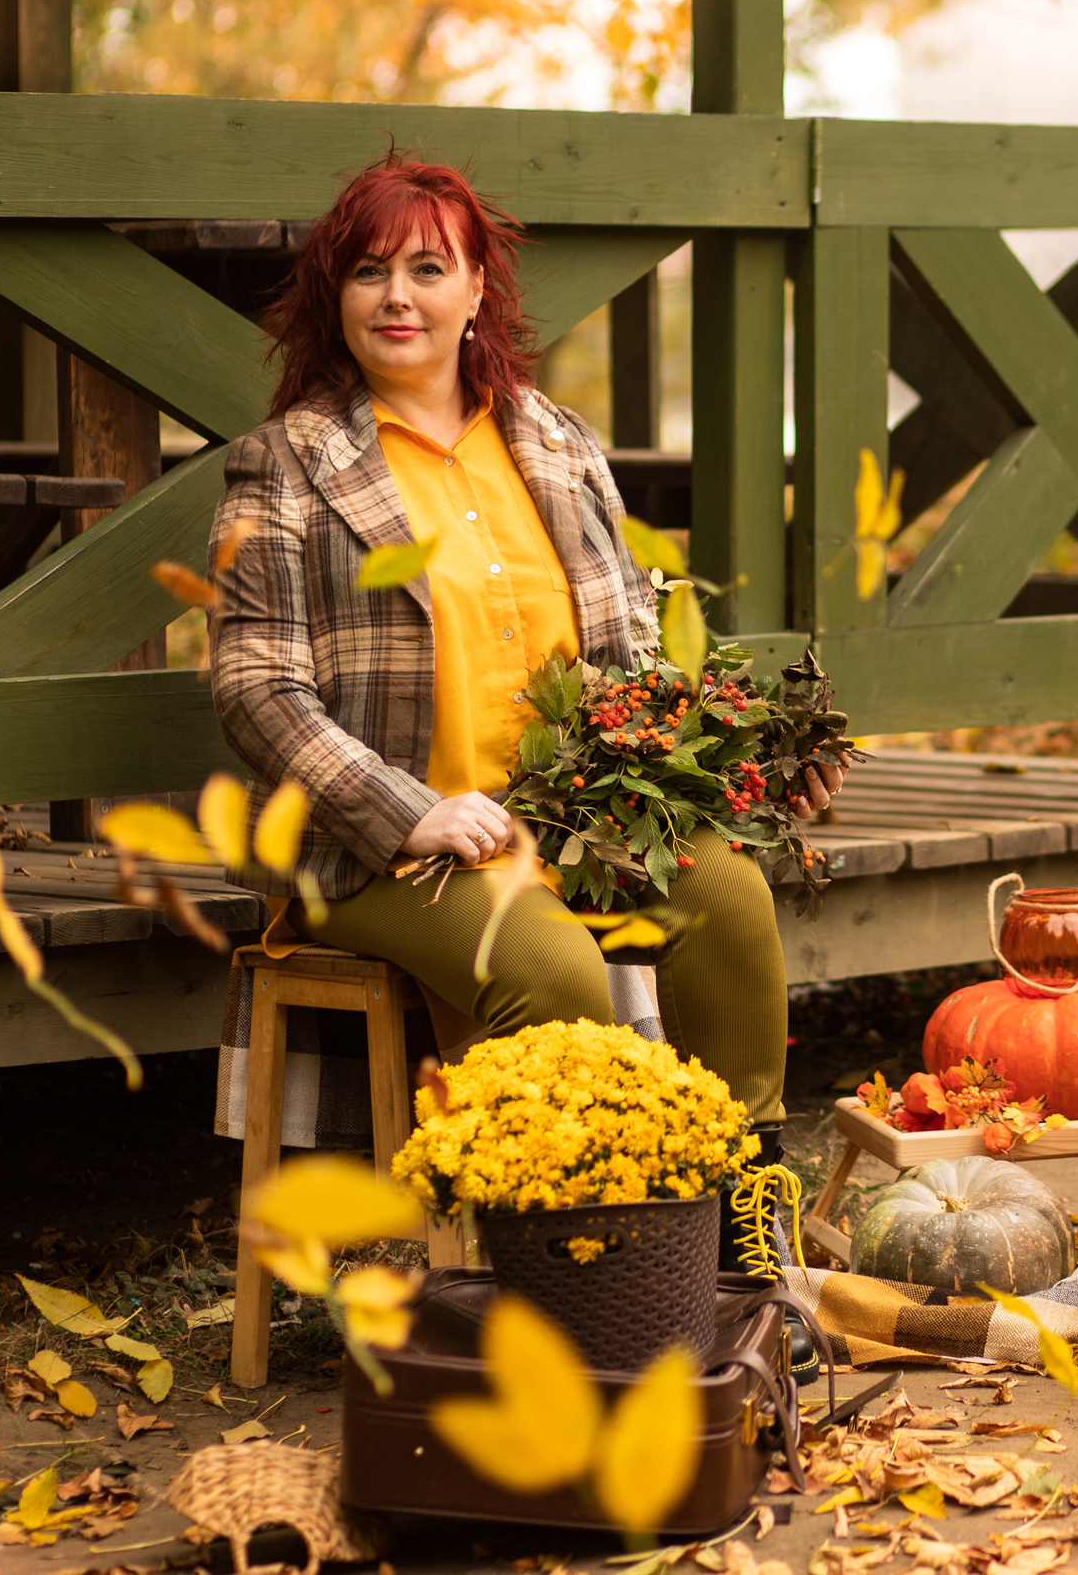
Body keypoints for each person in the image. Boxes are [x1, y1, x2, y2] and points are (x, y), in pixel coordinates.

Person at [209, 152, 836, 1244]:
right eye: (367, 272)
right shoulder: (287, 465)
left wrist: (743, 765)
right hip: (385, 845)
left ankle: (740, 1235)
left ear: (475, 292)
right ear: (335, 298)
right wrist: (410, 811)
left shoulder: (553, 441)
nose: (396, 296)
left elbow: (636, 645)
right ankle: (588, 1258)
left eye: (425, 267)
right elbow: (254, 686)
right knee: (550, 966)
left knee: (729, 903)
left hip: (572, 816)